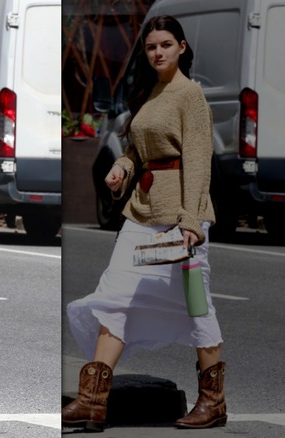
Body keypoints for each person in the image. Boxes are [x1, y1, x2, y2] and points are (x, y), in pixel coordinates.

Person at [62, 15, 225, 432]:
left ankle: (214, 402)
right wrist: (121, 167)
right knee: (114, 297)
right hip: (141, 212)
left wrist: (191, 220)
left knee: (196, 307)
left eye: (166, 45)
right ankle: (92, 400)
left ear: (182, 48)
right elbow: (139, 150)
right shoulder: (150, 92)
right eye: (151, 47)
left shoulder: (191, 95)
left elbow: (197, 160)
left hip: (180, 220)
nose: (158, 53)